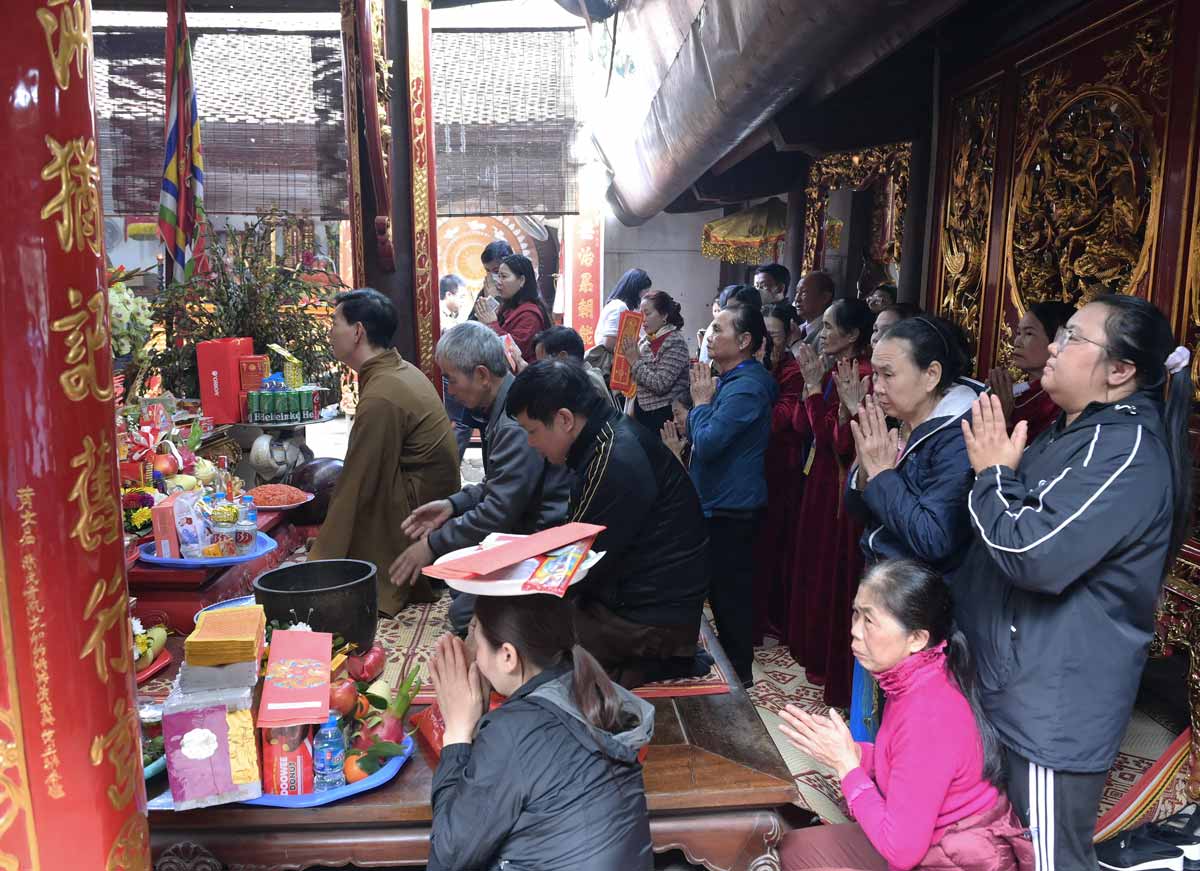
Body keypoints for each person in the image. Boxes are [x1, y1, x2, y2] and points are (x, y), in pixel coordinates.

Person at [956, 295, 1193, 871]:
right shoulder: (1076, 432)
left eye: (1072, 338)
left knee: (1048, 860)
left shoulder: (1126, 452)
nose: (1054, 348)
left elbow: (1029, 552)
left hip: (1051, 706)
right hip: (1014, 681)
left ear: (1120, 371)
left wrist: (991, 473)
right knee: (996, 849)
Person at [778, 560, 1031, 871]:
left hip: (955, 858)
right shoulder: (918, 677)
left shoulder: (928, 716)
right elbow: (906, 765)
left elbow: (901, 853)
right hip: (932, 841)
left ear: (916, 639)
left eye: (869, 621)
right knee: (795, 849)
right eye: (856, 613)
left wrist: (847, 767)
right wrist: (855, 752)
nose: (855, 631)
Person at [506, 359, 710, 687]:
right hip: (641, 595)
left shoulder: (614, 458)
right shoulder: (605, 437)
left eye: (533, 432)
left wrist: (517, 583)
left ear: (564, 419)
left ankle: (658, 661)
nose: (531, 443)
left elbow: (578, 562)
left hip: (652, 616)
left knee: (526, 641)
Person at [427, 594, 654, 871]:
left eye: (475, 631)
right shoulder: (593, 689)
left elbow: (448, 858)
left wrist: (457, 733)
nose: (470, 645)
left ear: (508, 655)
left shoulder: (513, 730)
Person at [844, 315, 981, 738]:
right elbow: (858, 507)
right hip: (886, 591)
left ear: (931, 375)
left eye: (887, 374)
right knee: (873, 715)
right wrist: (868, 475)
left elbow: (935, 536)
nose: (876, 386)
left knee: (907, 728)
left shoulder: (957, 436)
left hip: (919, 611)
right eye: (875, 373)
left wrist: (883, 476)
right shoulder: (900, 422)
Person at [388, 323, 573, 634]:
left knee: (465, 613)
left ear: (482, 375)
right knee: (459, 584)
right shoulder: (503, 407)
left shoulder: (515, 421)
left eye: (452, 380)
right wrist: (452, 504)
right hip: (522, 529)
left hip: (541, 538)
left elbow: (499, 510)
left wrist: (432, 545)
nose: (452, 390)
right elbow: (498, 485)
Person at [310, 289, 461, 615]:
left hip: (421, 509)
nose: (330, 332)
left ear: (358, 331)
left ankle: (373, 576)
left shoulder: (383, 393)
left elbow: (358, 481)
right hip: (429, 495)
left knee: (354, 489)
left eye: (335, 323)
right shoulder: (394, 370)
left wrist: (318, 565)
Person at [788, 298, 874, 706]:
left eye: (828, 327)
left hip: (840, 486)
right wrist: (812, 387)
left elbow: (836, 441)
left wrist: (812, 390)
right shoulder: (837, 370)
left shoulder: (865, 378)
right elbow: (805, 428)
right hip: (819, 479)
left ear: (853, 335)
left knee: (833, 570)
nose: (821, 334)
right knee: (813, 564)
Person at [688, 305, 778, 685]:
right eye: (710, 326)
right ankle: (726, 664)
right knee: (719, 590)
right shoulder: (729, 378)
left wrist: (700, 408)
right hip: (718, 501)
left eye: (718, 328)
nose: (709, 334)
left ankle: (739, 674)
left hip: (731, 506)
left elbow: (708, 443)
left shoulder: (747, 386)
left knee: (730, 596)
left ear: (744, 341)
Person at [753, 303, 807, 643]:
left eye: (773, 336)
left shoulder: (792, 371)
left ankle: (771, 620)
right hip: (754, 466)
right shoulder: (758, 367)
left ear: (789, 335)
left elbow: (781, 420)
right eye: (763, 338)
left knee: (774, 545)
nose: (768, 345)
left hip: (781, 467)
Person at [987, 301, 1075, 441]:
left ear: (1058, 342)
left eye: (1028, 333)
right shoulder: (1022, 392)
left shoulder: (1059, 403)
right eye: (1018, 333)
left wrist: (1004, 419)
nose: (1017, 342)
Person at [621, 290, 691, 434]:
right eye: (641, 314)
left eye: (647, 313)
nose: (642, 319)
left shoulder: (675, 342)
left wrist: (634, 361)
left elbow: (661, 384)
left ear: (664, 315)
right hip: (643, 415)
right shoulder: (646, 341)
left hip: (663, 418)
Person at [472, 253, 552, 361]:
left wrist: (492, 324)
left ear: (522, 280)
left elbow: (514, 357)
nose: (498, 282)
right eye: (498, 276)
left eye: (504, 276)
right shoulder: (508, 307)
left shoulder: (530, 315)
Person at [530, 325, 619, 410]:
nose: (541, 369)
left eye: (543, 363)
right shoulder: (580, 376)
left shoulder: (586, 383)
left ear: (562, 357)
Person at [439, 273, 472, 460]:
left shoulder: (453, 315)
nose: (463, 301)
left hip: (452, 373)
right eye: (460, 296)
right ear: (449, 295)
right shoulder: (440, 318)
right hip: (447, 374)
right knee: (462, 422)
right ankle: (450, 464)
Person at [593, 267, 652, 353]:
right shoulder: (619, 307)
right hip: (611, 364)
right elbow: (609, 343)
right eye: (645, 291)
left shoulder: (615, 305)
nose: (645, 296)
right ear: (635, 290)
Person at [466, 240, 513, 324]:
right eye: (488, 271)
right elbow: (471, 323)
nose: (492, 276)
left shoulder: (519, 291)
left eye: (496, 270)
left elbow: (506, 329)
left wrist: (495, 299)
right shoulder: (486, 289)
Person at [790, 271, 836, 357]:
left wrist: (796, 343)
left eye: (804, 293)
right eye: (797, 292)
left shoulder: (831, 334)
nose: (797, 299)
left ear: (825, 297)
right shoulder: (797, 330)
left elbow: (818, 368)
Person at [660, 394, 693, 468]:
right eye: (673, 415)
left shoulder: (699, 446)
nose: (674, 421)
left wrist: (674, 452)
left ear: (692, 411)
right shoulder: (686, 446)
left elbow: (687, 479)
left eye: (677, 414)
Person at [697, 292, 722, 364]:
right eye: (715, 311)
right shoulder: (713, 326)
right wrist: (701, 342)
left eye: (719, 311)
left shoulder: (722, 328)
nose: (717, 314)